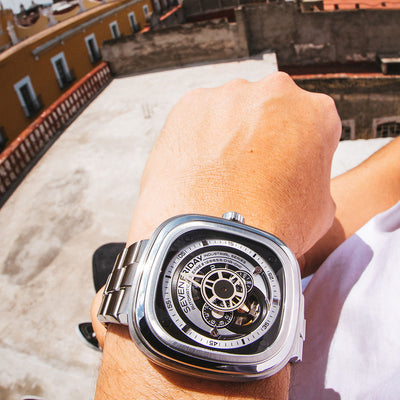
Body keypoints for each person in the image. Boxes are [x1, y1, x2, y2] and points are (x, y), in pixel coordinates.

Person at [90, 72, 400, 399]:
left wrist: (130, 358)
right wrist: (274, 239)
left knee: (111, 280)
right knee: (114, 270)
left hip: (262, 354)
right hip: (283, 287)